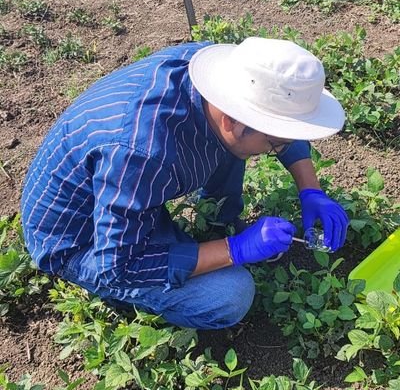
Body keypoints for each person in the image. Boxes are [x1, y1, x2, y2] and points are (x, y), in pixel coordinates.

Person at [21, 37, 349, 329]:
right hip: (81, 242)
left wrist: (311, 189)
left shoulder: (220, 80)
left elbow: (270, 127)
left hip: (120, 193)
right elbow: (118, 266)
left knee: (233, 150)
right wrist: (236, 250)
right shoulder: (142, 153)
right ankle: (147, 285)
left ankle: (214, 229)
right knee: (230, 295)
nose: (277, 152)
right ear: (234, 121)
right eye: (276, 144)